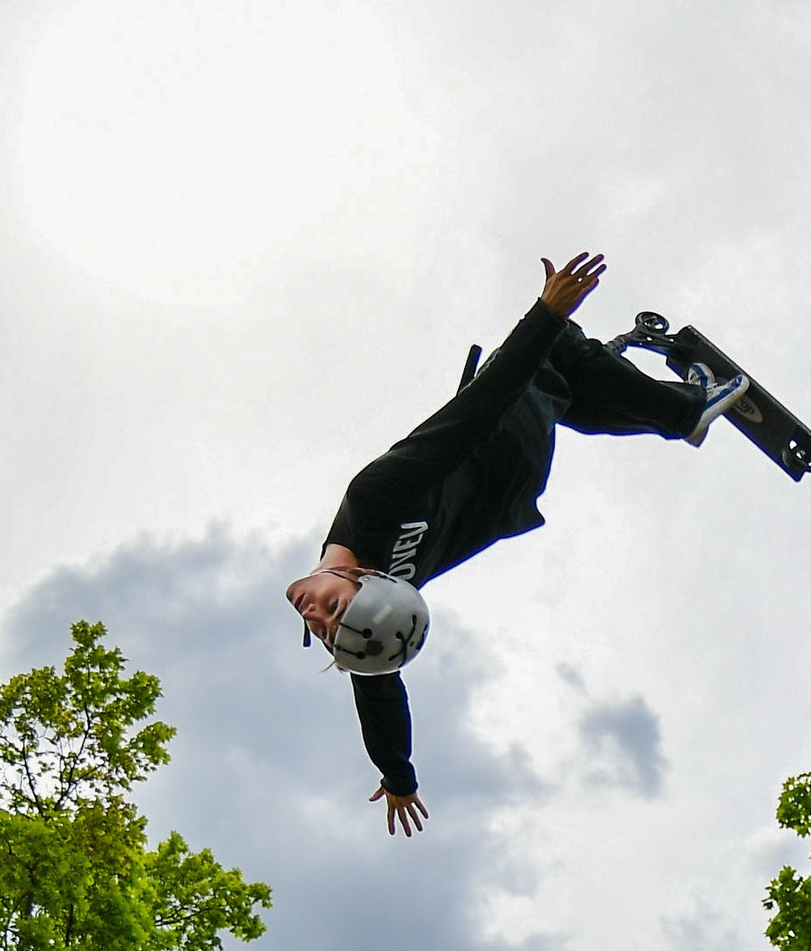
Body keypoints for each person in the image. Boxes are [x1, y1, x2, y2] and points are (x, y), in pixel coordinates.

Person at [285, 252, 750, 836]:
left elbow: (377, 695)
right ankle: (685, 411)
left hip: (506, 485)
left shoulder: (369, 619)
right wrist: (545, 313)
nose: (315, 614)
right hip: (498, 451)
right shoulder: (374, 504)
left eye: (325, 621)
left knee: (567, 385)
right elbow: (472, 418)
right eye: (331, 613)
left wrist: (398, 775)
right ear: (362, 580)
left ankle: (665, 410)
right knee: (546, 356)